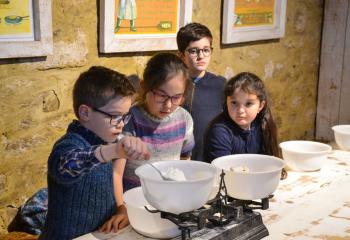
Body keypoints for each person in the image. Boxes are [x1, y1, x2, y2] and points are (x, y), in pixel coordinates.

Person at [39, 66, 150, 240]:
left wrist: (121, 209)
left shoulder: (105, 140)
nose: (121, 124)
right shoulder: (69, 144)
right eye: (115, 116)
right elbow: (66, 165)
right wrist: (111, 151)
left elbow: (109, 186)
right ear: (85, 112)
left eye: (125, 116)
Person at [118, 52, 195, 191]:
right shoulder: (130, 120)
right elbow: (116, 172)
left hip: (170, 198)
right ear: (144, 86)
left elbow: (185, 159)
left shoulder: (184, 119)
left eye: (176, 97)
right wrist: (121, 207)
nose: (168, 105)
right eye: (161, 95)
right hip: (136, 201)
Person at [203, 72, 287, 179]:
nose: (240, 111)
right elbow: (225, 176)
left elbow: (270, 166)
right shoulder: (219, 131)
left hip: (256, 185)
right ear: (226, 102)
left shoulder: (263, 125)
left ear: (260, 106)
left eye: (248, 104)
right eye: (234, 103)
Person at [177, 22, 226, 161]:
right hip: (181, 160)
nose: (201, 56)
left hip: (212, 159)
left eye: (206, 50)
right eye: (193, 51)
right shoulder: (174, 86)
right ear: (181, 55)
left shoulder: (221, 85)